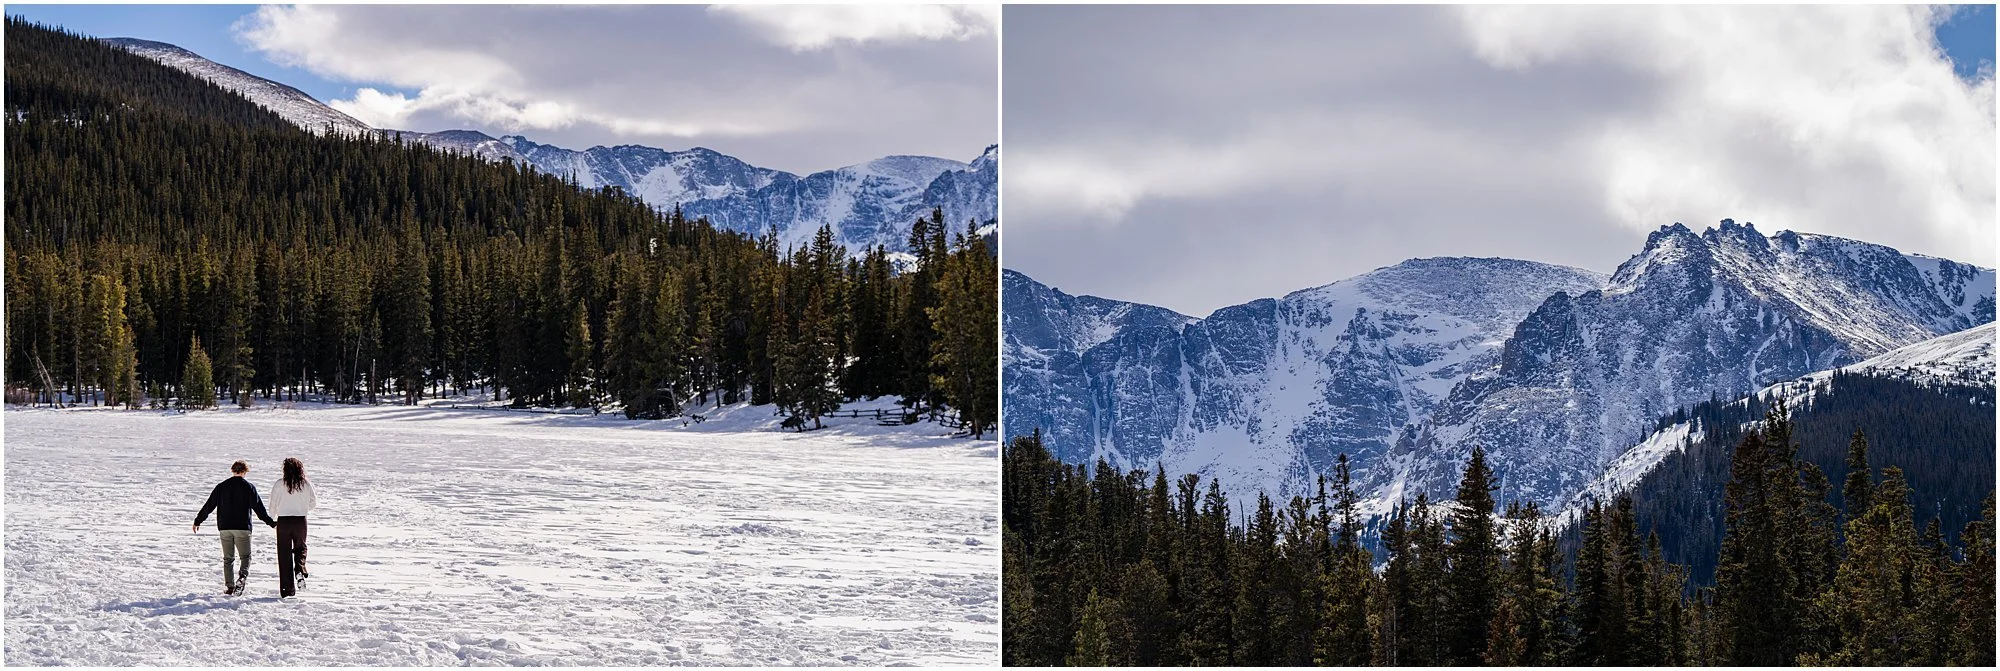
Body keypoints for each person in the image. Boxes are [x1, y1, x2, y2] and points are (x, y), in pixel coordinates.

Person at [192, 460, 277, 596]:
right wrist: (271, 523)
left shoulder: (221, 487)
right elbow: (259, 510)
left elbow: (209, 506)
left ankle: (230, 587)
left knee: (228, 558)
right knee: (245, 557)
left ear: (233, 470)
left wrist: (198, 521)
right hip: (242, 527)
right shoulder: (249, 487)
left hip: (224, 527)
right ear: (245, 471)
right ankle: (242, 577)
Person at [268, 457, 317, 598]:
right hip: (300, 520)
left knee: (284, 554)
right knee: (300, 547)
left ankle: (287, 590)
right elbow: (313, 502)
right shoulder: (305, 484)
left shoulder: (279, 484)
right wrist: (303, 508)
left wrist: (273, 517)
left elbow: (273, 504)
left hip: (283, 521)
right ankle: (300, 569)